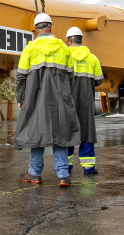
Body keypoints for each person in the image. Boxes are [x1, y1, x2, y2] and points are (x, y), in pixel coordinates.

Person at [15, 13, 80, 188]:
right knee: (60, 133)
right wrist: (67, 96)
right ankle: (63, 175)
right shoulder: (64, 48)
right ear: (51, 27)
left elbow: (21, 77)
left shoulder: (29, 48)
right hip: (60, 98)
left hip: (35, 98)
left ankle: (35, 173)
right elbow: (71, 76)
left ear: (36, 30)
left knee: (37, 133)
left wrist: (20, 98)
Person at [65, 26, 103, 176]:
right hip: (86, 103)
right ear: (81, 39)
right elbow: (99, 80)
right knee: (87, 133)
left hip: (68, 102)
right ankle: (88, 168)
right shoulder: (92, 58)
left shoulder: (65, 55)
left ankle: (66, 168)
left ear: (69, 40)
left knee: (67, 133)